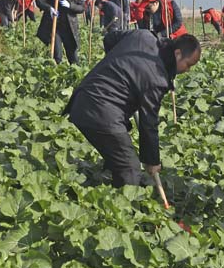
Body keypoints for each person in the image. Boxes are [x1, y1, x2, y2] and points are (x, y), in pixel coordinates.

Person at [66, 30, 201, 187]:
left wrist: (119, 66)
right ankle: (123, 206)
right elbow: (148, 122)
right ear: (178, 54)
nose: (188, 69)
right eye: (188, 64)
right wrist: (152, 161)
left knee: (119, 148)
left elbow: (110, 38)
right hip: (100, 111)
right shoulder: (157, 78)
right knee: (130, 168)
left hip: (83, 99)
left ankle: (110, 179)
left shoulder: (144, 36)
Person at [35, 0, 85, 64]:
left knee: (73, 55)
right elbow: (40, 1)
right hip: (54, 25)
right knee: (57, 56)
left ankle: (75, 75)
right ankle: (56, 74)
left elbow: (82, 7)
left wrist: (71, 6)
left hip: (69, 26)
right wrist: (50, 8)